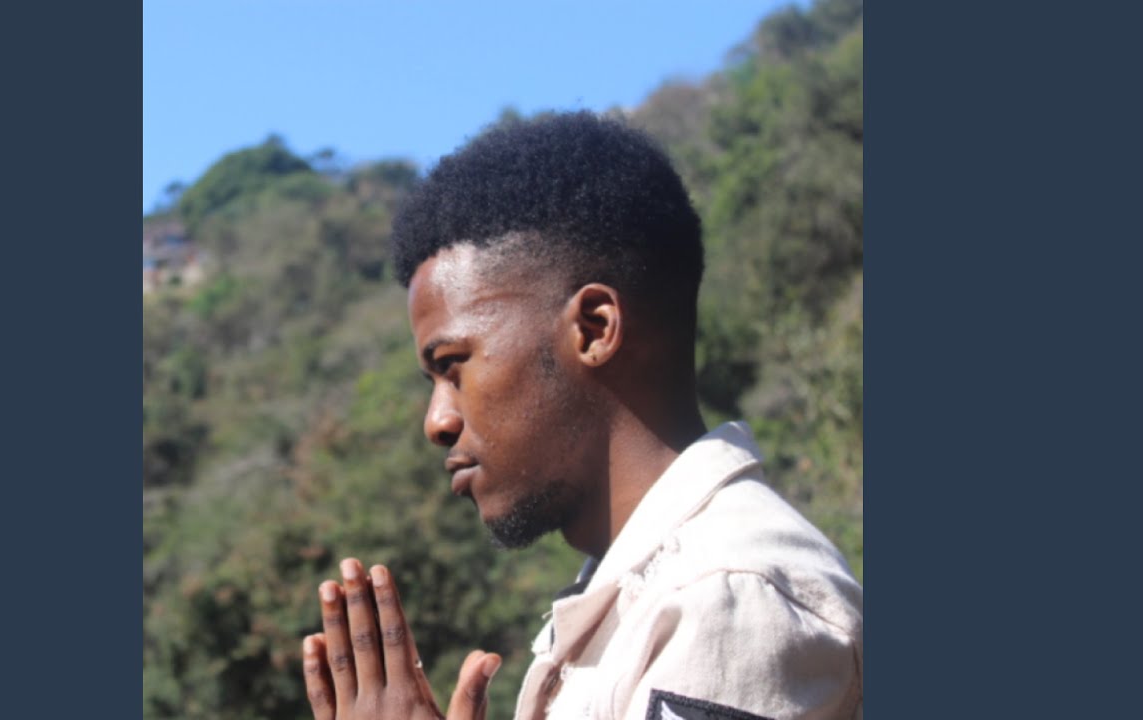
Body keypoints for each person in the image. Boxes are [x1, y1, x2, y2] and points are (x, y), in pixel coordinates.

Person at [301, 111, 863, 720]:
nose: (437, 421)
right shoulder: (632, 598)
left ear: (594, 329)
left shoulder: (722, 597)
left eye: (453, 365)